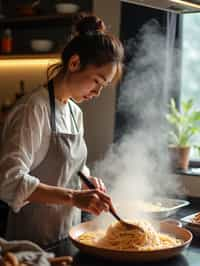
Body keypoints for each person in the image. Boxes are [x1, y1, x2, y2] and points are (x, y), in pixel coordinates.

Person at [0, 13, 124, 247]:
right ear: (74, 63)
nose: (97, 92)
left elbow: (72, 167)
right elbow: (9, 181)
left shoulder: (74, 112)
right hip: (31, 242)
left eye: (103, 86)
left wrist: (88, 181)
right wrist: (74, 197)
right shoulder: (33, 109)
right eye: (97, 81)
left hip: (68, 234)